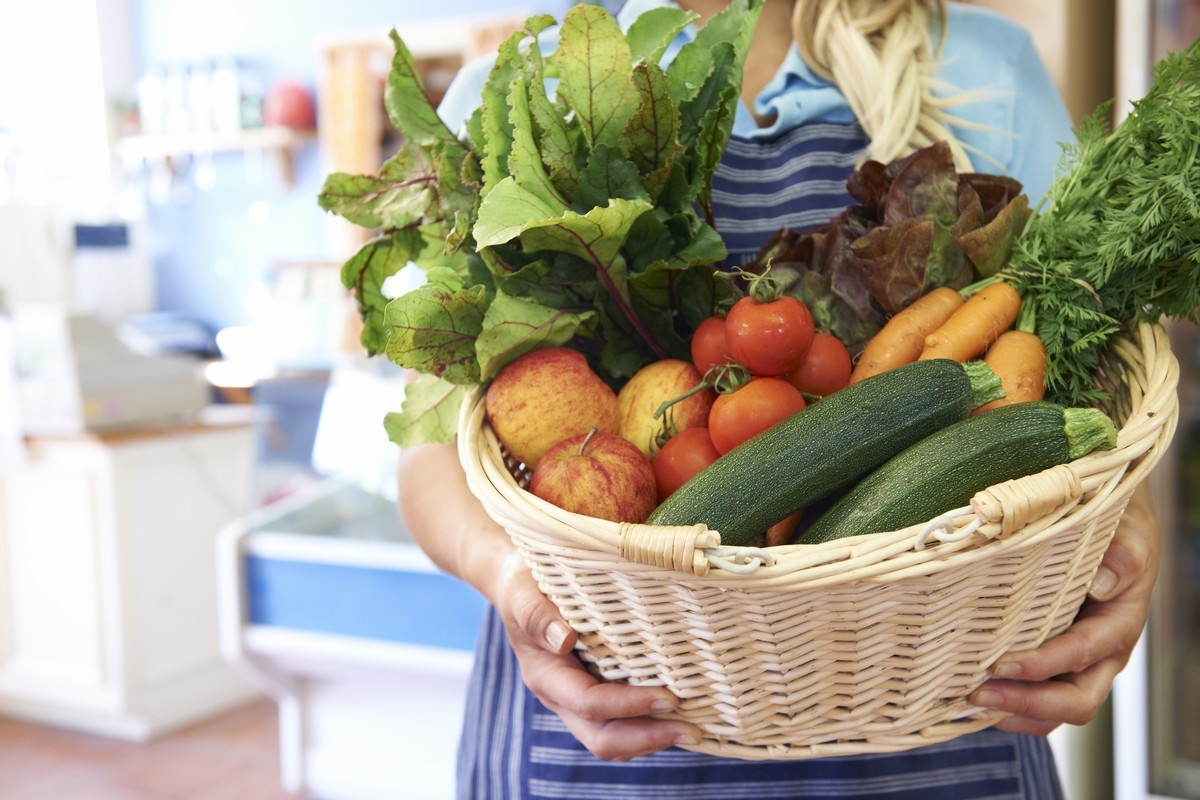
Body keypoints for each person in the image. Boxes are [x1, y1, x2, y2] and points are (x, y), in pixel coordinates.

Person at [397, 1, 1164, 797]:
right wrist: (510, 583)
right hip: (606, 733)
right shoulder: (516, 94)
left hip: (938, 728)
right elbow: (430, 451)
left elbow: (1110, 384)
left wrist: (1130, 534)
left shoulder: (982, 72)